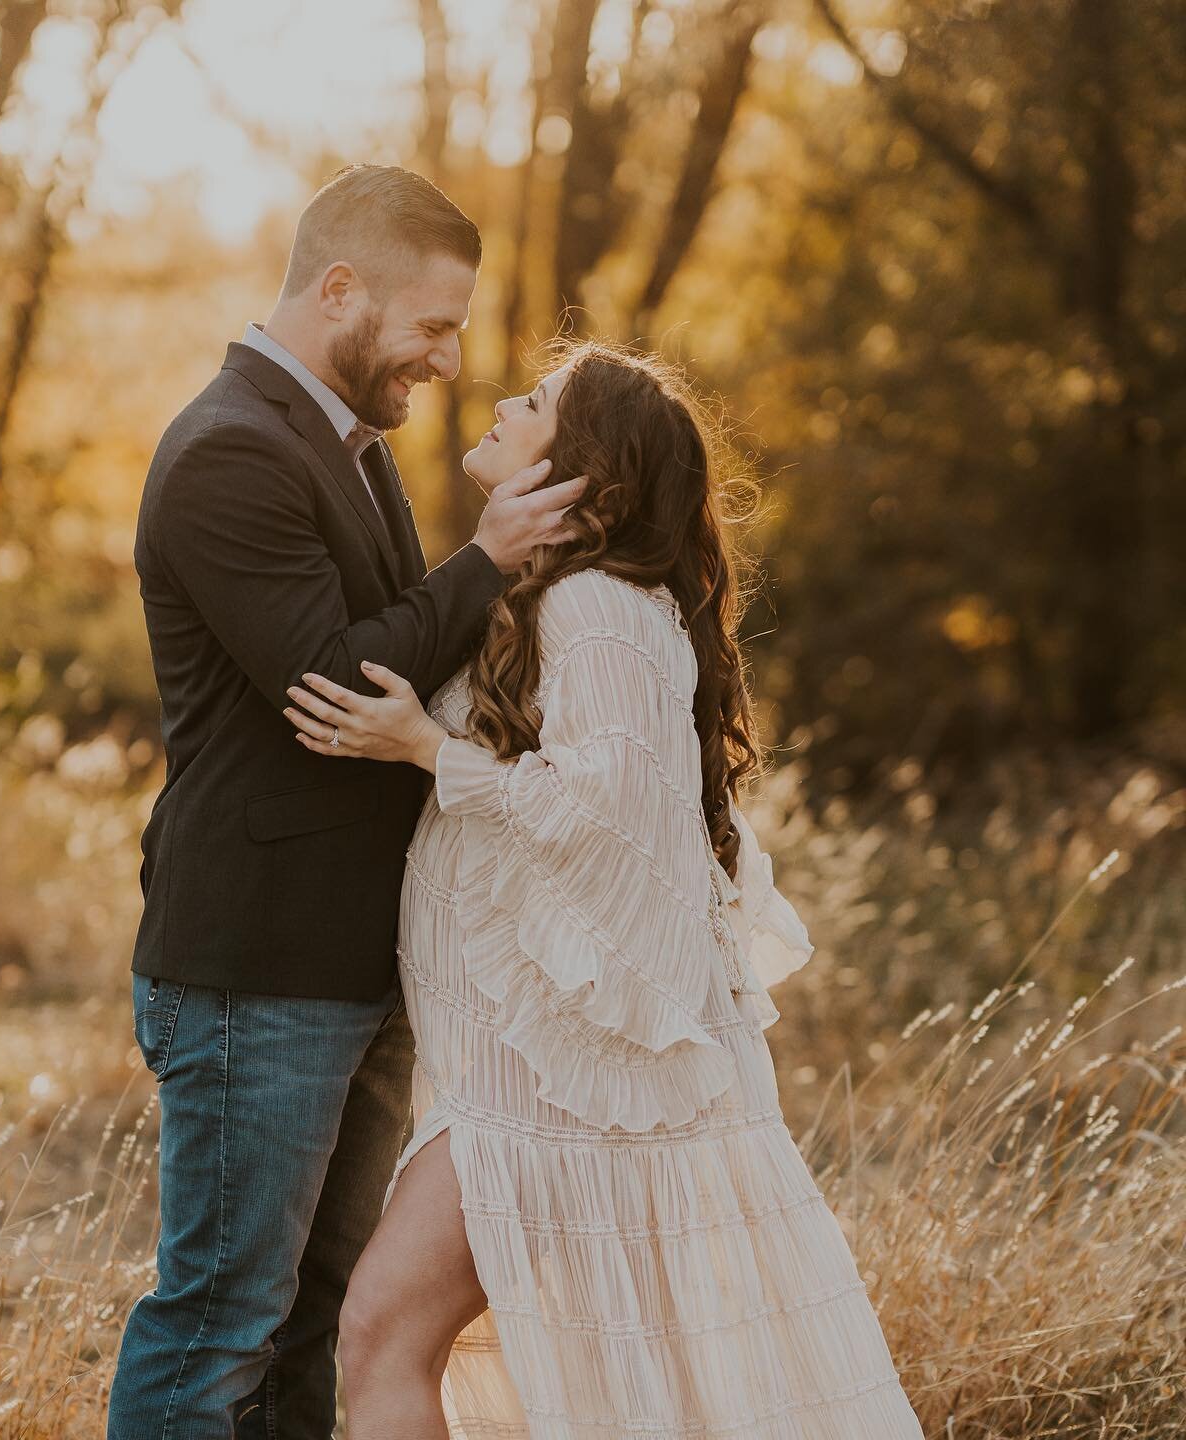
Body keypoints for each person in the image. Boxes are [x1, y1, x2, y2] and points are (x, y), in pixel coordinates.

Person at [286, 341, 927, 1438]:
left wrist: (423, 751)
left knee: (383, 1330)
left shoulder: (603, 611)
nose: (496, 402)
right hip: (513, 1070)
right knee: (418, 1338)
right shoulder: (568, 599)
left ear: (588, 471)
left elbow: (613, 814)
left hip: (552, 1089)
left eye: (532, 403)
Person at [106, 164, 587, 1440]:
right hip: (254, 965)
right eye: (432, 324)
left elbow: (403, 658)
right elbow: (336, 681)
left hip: (350, 961)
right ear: (339, 288)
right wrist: (487, 558)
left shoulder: (348, 449)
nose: (447, 356)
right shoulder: (229, 452)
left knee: (320, 1312)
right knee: (218, 1322)